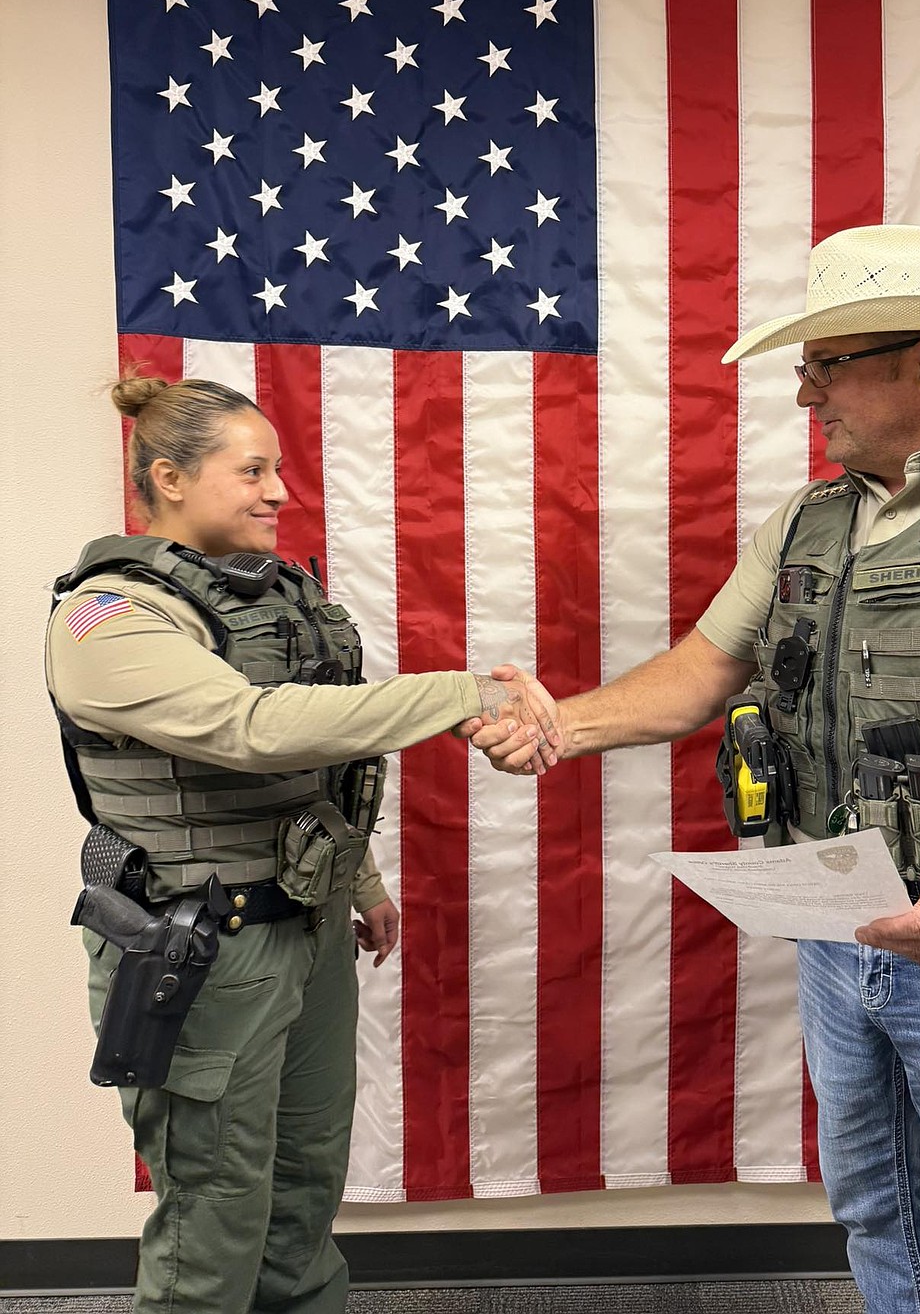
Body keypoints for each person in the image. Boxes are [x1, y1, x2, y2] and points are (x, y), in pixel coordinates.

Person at [462, 224, 920, 1314]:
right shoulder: (809, 518)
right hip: (843, 942)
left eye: (826, 365)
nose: (805, 396)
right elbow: (702, 672)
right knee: (884, 1219)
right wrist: (565, 723)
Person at [45, 374, 555, 1314]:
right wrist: (461, 693)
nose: (280, 491)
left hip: (304, 929)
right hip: (198, 951)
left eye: (277, 468)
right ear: (168, 477)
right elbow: (253, 729)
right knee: (216, 1213)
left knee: (303, 1191)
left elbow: (317, 770)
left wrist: (360, 883)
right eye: (252, 471)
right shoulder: (104, 618)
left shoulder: (278, 598)